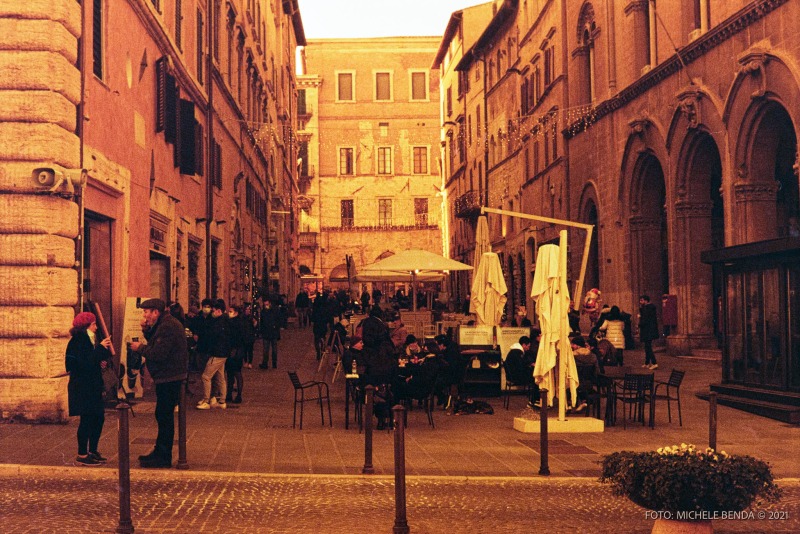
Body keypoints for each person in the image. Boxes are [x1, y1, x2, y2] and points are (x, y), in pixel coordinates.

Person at [129, 298, 188, 468]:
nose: (144, 315)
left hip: (170, 377)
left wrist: (139, 348)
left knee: (164, 415)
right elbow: (156, 341)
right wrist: (145, 329)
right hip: (167, 376)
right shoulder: (164, 324)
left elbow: (158, 353)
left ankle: (163, 455)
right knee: (162, 415)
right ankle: (160, 451)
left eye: (146, 312)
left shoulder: (167, 326)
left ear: (156, 312)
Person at [66, 311, 113, 466]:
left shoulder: (90, 340)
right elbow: (82, 364)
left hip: (93, 386)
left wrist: (102, 360)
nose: (96, 327)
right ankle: (82, 453)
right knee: (86, 419)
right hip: (82, 388)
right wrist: (99, 350)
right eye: (93, 324)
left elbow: (92, 361)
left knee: (98, 417)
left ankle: (92, 450)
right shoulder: (77, 342)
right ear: (86, 325)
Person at [196, 299, 231, 409]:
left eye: (214, 310)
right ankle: (222, 401)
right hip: (223, 353)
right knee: (220, 377)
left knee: (206, 376)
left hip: (218, 353)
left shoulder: (219, 323)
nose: (211, 312)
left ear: (219, 311)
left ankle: (206, 401)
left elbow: (212, 335)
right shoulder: (224, 321)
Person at [504, 335, 539, 406]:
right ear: (523, 345)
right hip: (515, 377)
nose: (528, 348)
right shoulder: (518, 352)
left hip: (511, 376)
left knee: (533, 377)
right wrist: (530, 365)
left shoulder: (514, 351)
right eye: (528, 346)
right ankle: (534, 401)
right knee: (536, 379)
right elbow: (521, 366)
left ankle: (535, 400)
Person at [225, 306, 245, 404]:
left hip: (236, 351)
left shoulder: (238, 323)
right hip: (232, 350)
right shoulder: (231, 322)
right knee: (230, 373)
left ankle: (238, 395)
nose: (229, 313)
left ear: (236, 312)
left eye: (231, 311)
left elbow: (240, 337)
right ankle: (229, 394)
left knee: (236, 372)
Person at [639, 295, 659, 370]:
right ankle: (647, 362)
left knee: (648, 347)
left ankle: (654, 362)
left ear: (646, 301)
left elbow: (645, 320)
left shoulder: (647, 308)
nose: (640, 302)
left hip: (648, 330)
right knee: (647, 346)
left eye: (642, 300)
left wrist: (640, 324)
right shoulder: (648, 308)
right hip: (649, 330)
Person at [259, 298, 281, 369]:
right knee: (265, 350)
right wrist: (261, 332)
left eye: (267, 304)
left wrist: (276, 328)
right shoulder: (263, 312)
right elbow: (262, 322)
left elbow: (278, 321)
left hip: (273, 333)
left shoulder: (274, 311)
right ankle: (265, 363)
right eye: (265, 304)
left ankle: (274, 363)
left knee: (274, 349)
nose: (266, 306)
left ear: (270, 304)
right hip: (266, 333)